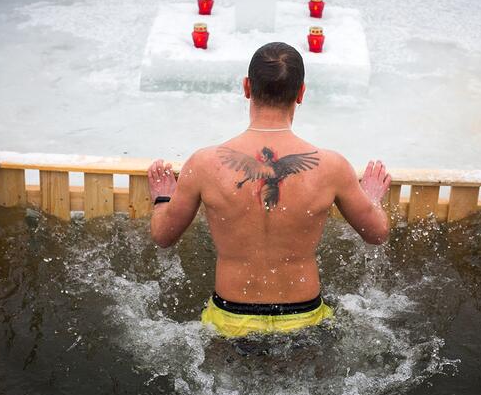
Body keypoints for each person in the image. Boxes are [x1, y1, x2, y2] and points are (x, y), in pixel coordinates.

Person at [147, 42, 391, 337]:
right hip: (303, 317)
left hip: (231, 317)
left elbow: (163, 237)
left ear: (247, 87)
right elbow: (377, 234)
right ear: (301, 93)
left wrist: (162, 199)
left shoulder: (204, 164)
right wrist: (373, 199)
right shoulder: (331, 167)